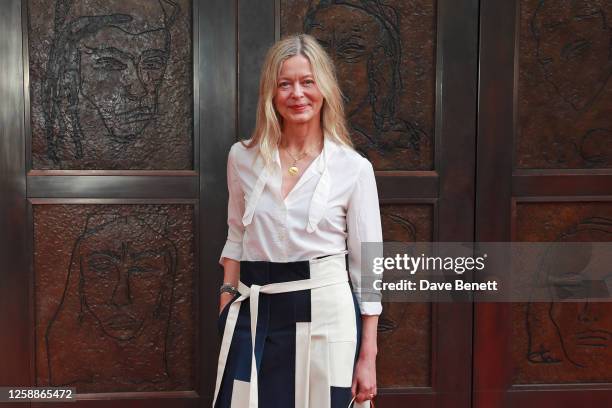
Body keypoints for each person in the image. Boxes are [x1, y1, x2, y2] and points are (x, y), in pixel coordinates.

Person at [213, 34, 382, 407]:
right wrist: (227, 297)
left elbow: (367, 269)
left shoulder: (353, 169)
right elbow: (236, 232)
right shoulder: (241, 158)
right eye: (285, 83)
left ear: (324, 89)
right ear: (271, 94)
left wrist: (368, 356)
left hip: (326, 315)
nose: (297, 93)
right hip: (254, 311)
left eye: (307, 82)